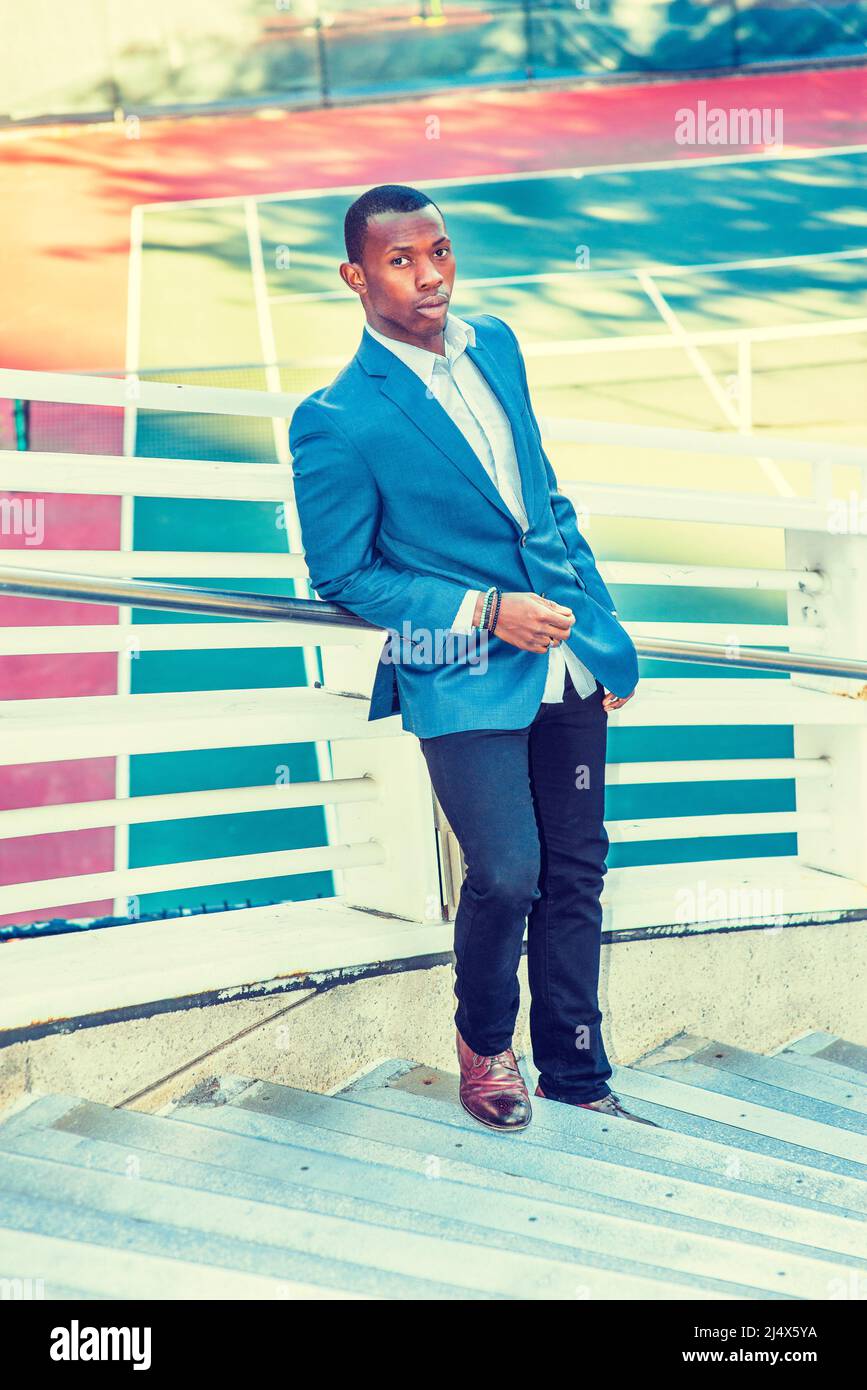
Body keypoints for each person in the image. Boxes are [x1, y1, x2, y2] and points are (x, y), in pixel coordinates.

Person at [289, 183, 658, 1131]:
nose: (429, 277)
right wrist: (484, 611)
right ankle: (484, 1045)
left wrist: (600, 631)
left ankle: (577, 1071)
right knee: (506, 870)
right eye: (401, 261)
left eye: (439, 253)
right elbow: (344, 572)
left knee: (577, 869)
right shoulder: (335, 417)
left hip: (565, 656)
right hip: (457, 667)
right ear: (353, 276)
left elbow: (545, 500)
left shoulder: (496, 343)